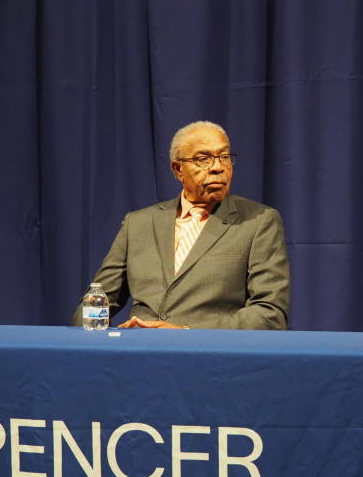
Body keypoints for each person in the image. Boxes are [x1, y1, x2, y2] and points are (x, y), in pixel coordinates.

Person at [73, 120, 290, 329]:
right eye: (203, 159)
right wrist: (96, 343)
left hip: (209, 355)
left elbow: (269, 313)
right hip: (141, 353)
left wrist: (186, 331)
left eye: (224, 156)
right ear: (178, 170)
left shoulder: (258, 221)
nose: (217, 167)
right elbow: (96, 301)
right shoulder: (138, 224)